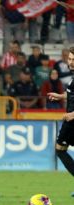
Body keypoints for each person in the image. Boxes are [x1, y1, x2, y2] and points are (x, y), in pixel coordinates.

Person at [47, 47, 74, 197]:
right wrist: (60, 96)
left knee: (60, 149)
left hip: (72, 121)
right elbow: (71, 94)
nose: (70, 62)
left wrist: (72, 115)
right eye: (69, 59)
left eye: (73, 60)